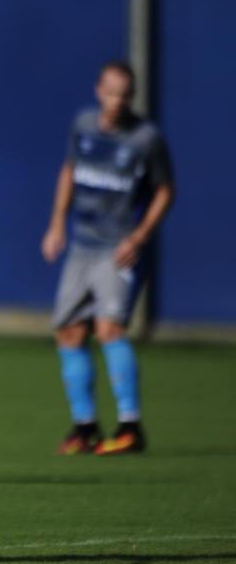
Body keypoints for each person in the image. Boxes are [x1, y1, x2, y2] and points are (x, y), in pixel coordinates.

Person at [41, 61, 175, 455]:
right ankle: (85, 427)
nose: (117, 100)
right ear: (99, 90)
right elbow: (69, 170)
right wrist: (56, 225)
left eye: (125, 94)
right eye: (111, 91)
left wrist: (140, 236)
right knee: (68, 332)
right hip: (81, 244)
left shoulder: (146, 138)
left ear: (131, 96)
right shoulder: (84, 125)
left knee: (110, 328)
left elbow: (166, 190)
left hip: (118, 248)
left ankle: (130, 426)